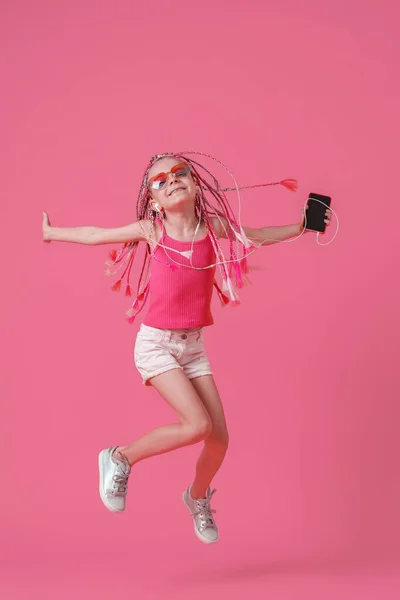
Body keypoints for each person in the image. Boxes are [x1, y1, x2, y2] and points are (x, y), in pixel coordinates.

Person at [42, 151, 332, 545]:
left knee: (219, 439)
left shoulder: (212, 227)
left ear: (196, 185)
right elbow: (95, 235)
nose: (172, 180)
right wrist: (52, 232)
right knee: (197, 425)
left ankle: (195, 497)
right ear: (153, 200)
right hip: (156, 345)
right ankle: (120, 457)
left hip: (193, 348)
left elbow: (257, 235)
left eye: (180, 173)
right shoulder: (152, 231)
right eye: (161, 180)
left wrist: (300, 228)